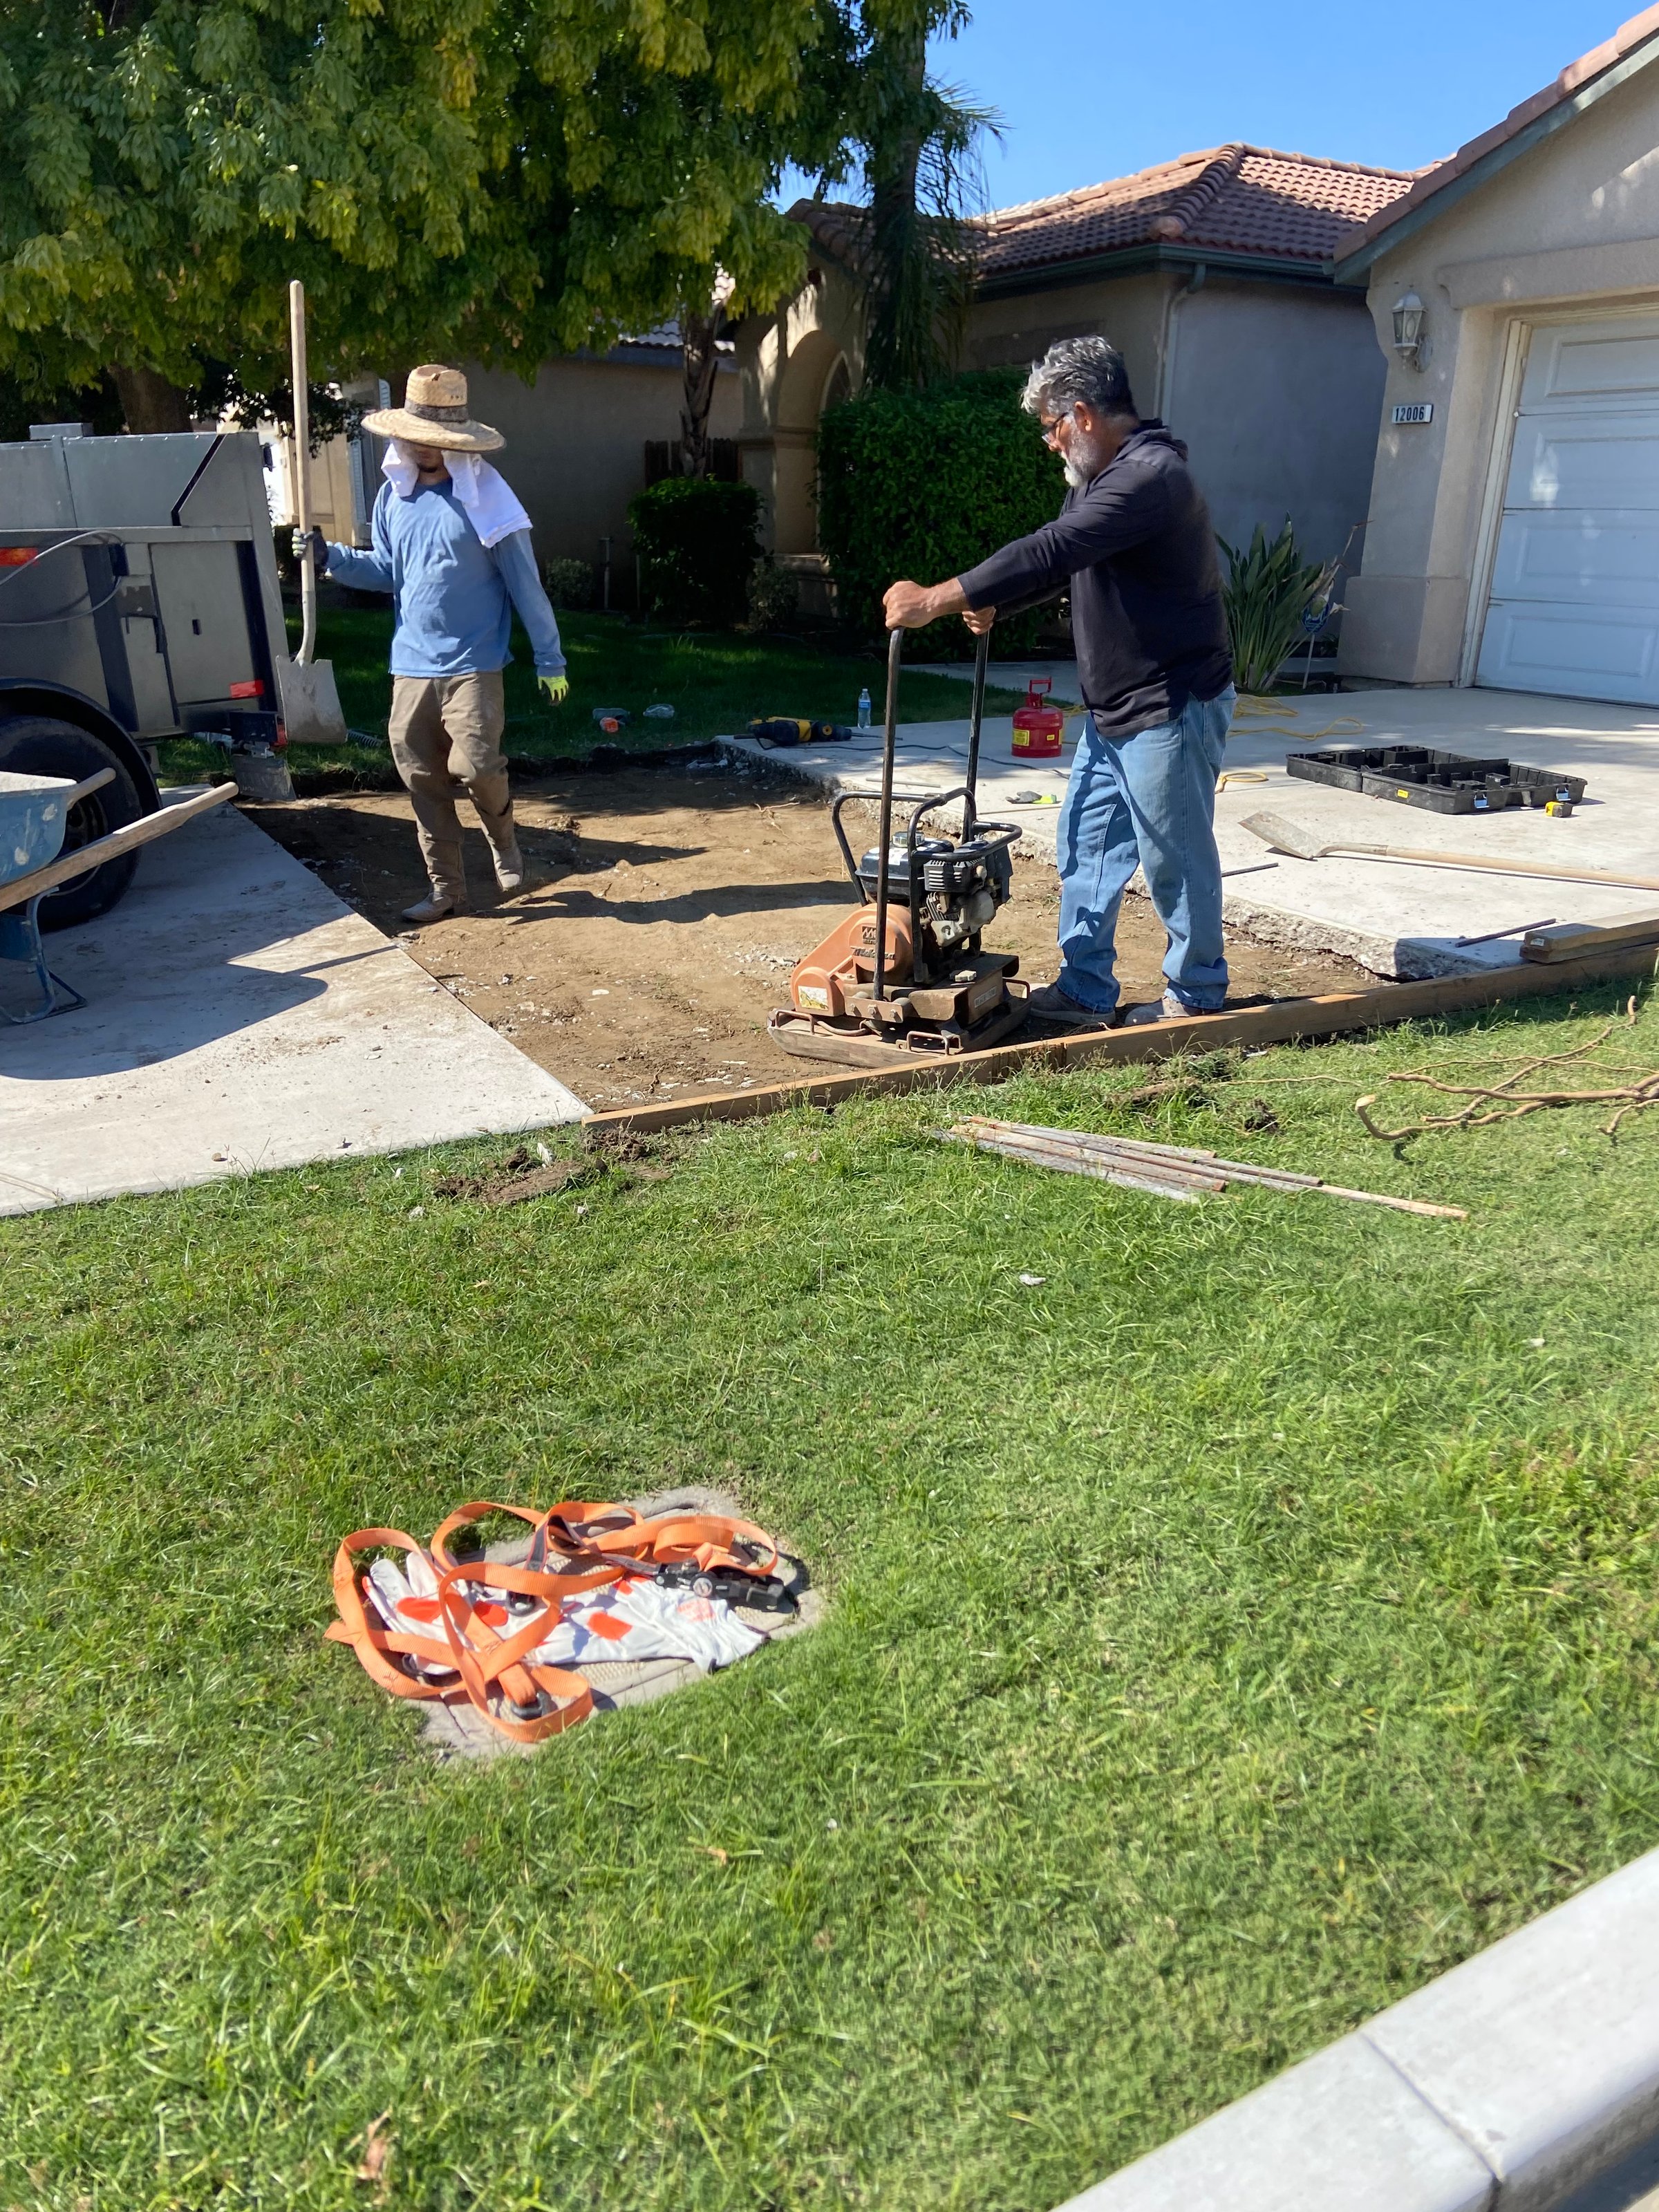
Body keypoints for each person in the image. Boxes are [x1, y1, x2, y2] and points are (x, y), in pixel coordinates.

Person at [882, 335, 1235, 1027]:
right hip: (1117, 708)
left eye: (1051, 426)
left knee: (1175, 853)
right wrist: (995, 602)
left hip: (1170, 701)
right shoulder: (1108, 481)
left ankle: (1197, 999)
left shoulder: (1151, 478)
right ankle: (1086, 988)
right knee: (1088, 846)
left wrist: (938, 598)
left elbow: (1053, 548)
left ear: (1082, 413)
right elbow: (1064, 562)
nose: (1049, 442)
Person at [308, 365, 570, 924]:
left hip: (474, 664)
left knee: (476, 768)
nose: (424, 450)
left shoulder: (487, 500)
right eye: (416, 438)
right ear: (402, 435)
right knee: (422, 779)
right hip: (411, 666)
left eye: (436, 441)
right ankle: (447, 890)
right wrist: (330, 558)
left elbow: (525, 583)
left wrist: (550, 657)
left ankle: (504, 845)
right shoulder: (392, 499)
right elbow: (386, 571)